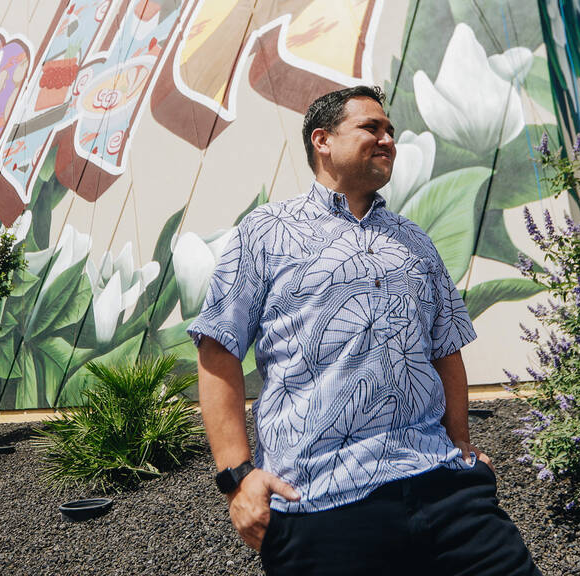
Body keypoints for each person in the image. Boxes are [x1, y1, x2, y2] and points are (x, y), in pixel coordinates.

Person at [188, 86, 541, 575]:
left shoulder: (414, 239)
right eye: (371, 128)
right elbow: (218, 350)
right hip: (320, 503)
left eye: (390, 131)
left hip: (443, 489)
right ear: (323, 140)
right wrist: (238, 478)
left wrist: (463, 449)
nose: (387, 139)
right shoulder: (265, 232)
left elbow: (446, 350)